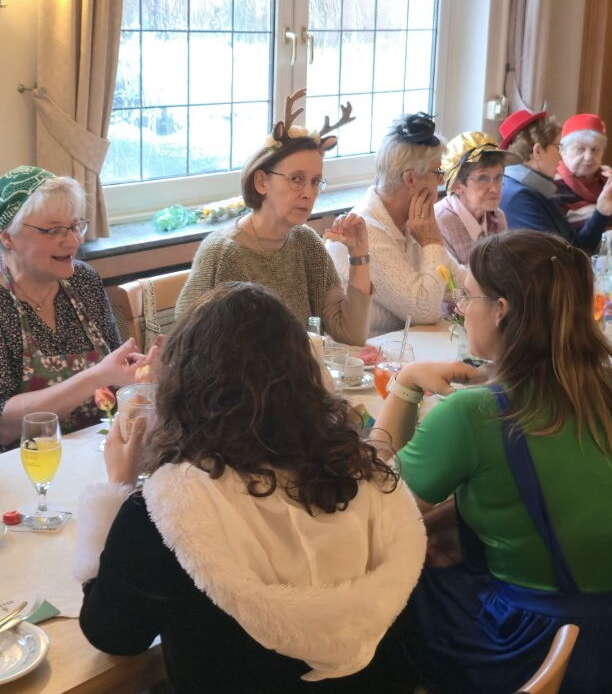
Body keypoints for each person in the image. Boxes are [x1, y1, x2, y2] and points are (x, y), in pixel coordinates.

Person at [75, 281, 426, 694]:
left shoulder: (171, 509)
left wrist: (117, 489)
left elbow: (112, 636)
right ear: (307, 377)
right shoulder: (366, 478)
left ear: (182, 389)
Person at [374, 229, 612, 694]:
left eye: (468, 296)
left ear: (501, 310)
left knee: (386, 589)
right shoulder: (602, 388)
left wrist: (406, 383)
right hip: (601, 643)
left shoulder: (476, 413)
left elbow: (374, 509)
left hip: (540, 660)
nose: (462, 308)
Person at [176, 89, 372, 345]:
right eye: (297, 179)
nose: (308, 193)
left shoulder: (307, 243)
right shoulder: (222, 253)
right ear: (261, 182)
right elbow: (185, 343)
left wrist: (359, 255)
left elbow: (351, 334)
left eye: (315, 181)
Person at [0, 166, 151, 450]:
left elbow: (117, 375)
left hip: (94, 449)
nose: (73, 241)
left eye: (74, 226)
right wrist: (97, 376)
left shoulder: (83, 280)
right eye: (53, 230)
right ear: (8, 236)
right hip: (25, 463)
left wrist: (144, 374)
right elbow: (3, 427)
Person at [327, 112, 464, 337]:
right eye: (438, 173)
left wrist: (479, 297)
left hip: (402, 349)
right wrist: (431, 243)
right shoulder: (365, 231)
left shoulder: (411, 223)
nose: (441, 182)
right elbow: (424, 310)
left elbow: (459, 287)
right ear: (410, 179)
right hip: (363, 355)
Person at [499, 109, 612, 251]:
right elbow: (559, 255)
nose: (560, 157)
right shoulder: (519, 197)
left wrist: (602, 210)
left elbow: (576, 245)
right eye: (558, 147)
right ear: (538, 151)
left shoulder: (537, 188)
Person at [434, 131, 508, 265]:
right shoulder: (439, 223)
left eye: (498, 177)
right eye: (483, 178)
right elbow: (449, 278)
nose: (494, 188)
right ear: (456, 185)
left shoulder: (497, 217)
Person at [554, 112, 611, 230]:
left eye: (595, 149)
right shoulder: (553, 187)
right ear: (562, 151)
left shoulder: (608, 179)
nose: (588, 157)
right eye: (580, 149)